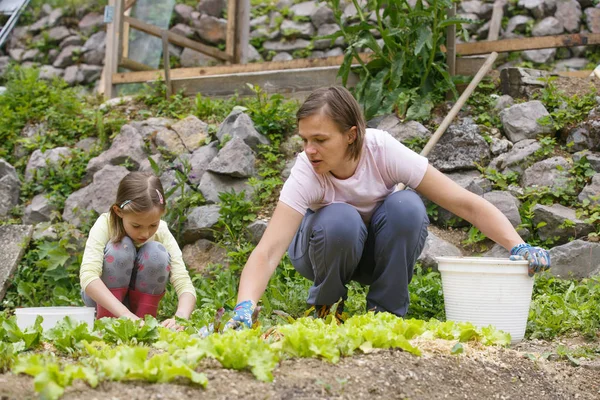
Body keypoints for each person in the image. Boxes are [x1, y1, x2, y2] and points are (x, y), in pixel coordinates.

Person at [224, 86, 551, 329]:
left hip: (373, 254)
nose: (310, 150)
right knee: (341, 218)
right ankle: (326, 306)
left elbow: (463, 202)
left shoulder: (382, 150)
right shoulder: (306, 170)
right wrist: (244, 305)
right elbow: (268, 251)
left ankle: (386, 313)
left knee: (407, 206)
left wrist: (518, 245)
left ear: (351, 134)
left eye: (320, 140)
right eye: (304, 140)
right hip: (321, 251)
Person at [80, 171, 196, 330]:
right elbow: (88, 277)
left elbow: (184, 282)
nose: (145, 233)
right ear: (118, 211)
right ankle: (108, 321)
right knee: (120, 247)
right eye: (136, 226)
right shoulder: (105, 225)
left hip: (138, 307)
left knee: (157, 252)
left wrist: (181, 316)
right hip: (103, 301)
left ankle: (144, 322)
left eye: (153, 225)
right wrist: (126, 315)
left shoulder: (162, 231)